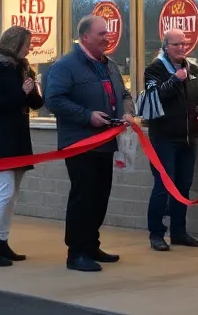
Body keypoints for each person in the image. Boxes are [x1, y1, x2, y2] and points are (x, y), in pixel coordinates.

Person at [45, 14, 135, 273]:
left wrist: (127, 111)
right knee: (83, 197)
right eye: (101, 33)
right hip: (80, 143)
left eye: (107, 33)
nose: (107, 37)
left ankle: (91, 245)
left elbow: (124, 93)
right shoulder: (66, 66)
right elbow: (54, 100)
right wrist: (87, 116)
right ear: (85, 37)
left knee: (99, 196)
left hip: (106, 142)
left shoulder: (109, 65)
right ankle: (76, 253)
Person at [0, 25, 43, 267]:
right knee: (3, 191)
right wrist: (21, 92)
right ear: (15, 44)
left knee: (12, 194)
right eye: (27, 44)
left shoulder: (23, 68)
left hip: (18, 137)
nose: (29, 48)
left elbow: (36, 103)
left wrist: (31, 91)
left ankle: (2, 241)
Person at [141, 28, 198, 251]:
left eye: (184, 44)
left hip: (189, 137)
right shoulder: (154, 69)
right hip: (164, 138)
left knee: (183, 186)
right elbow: (156, 96)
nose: (182, 48)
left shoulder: (192, 68)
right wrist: (174, 80)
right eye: (176, 44)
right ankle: (156, 234)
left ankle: (179, 232)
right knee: (163, 186)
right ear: (165, 46)